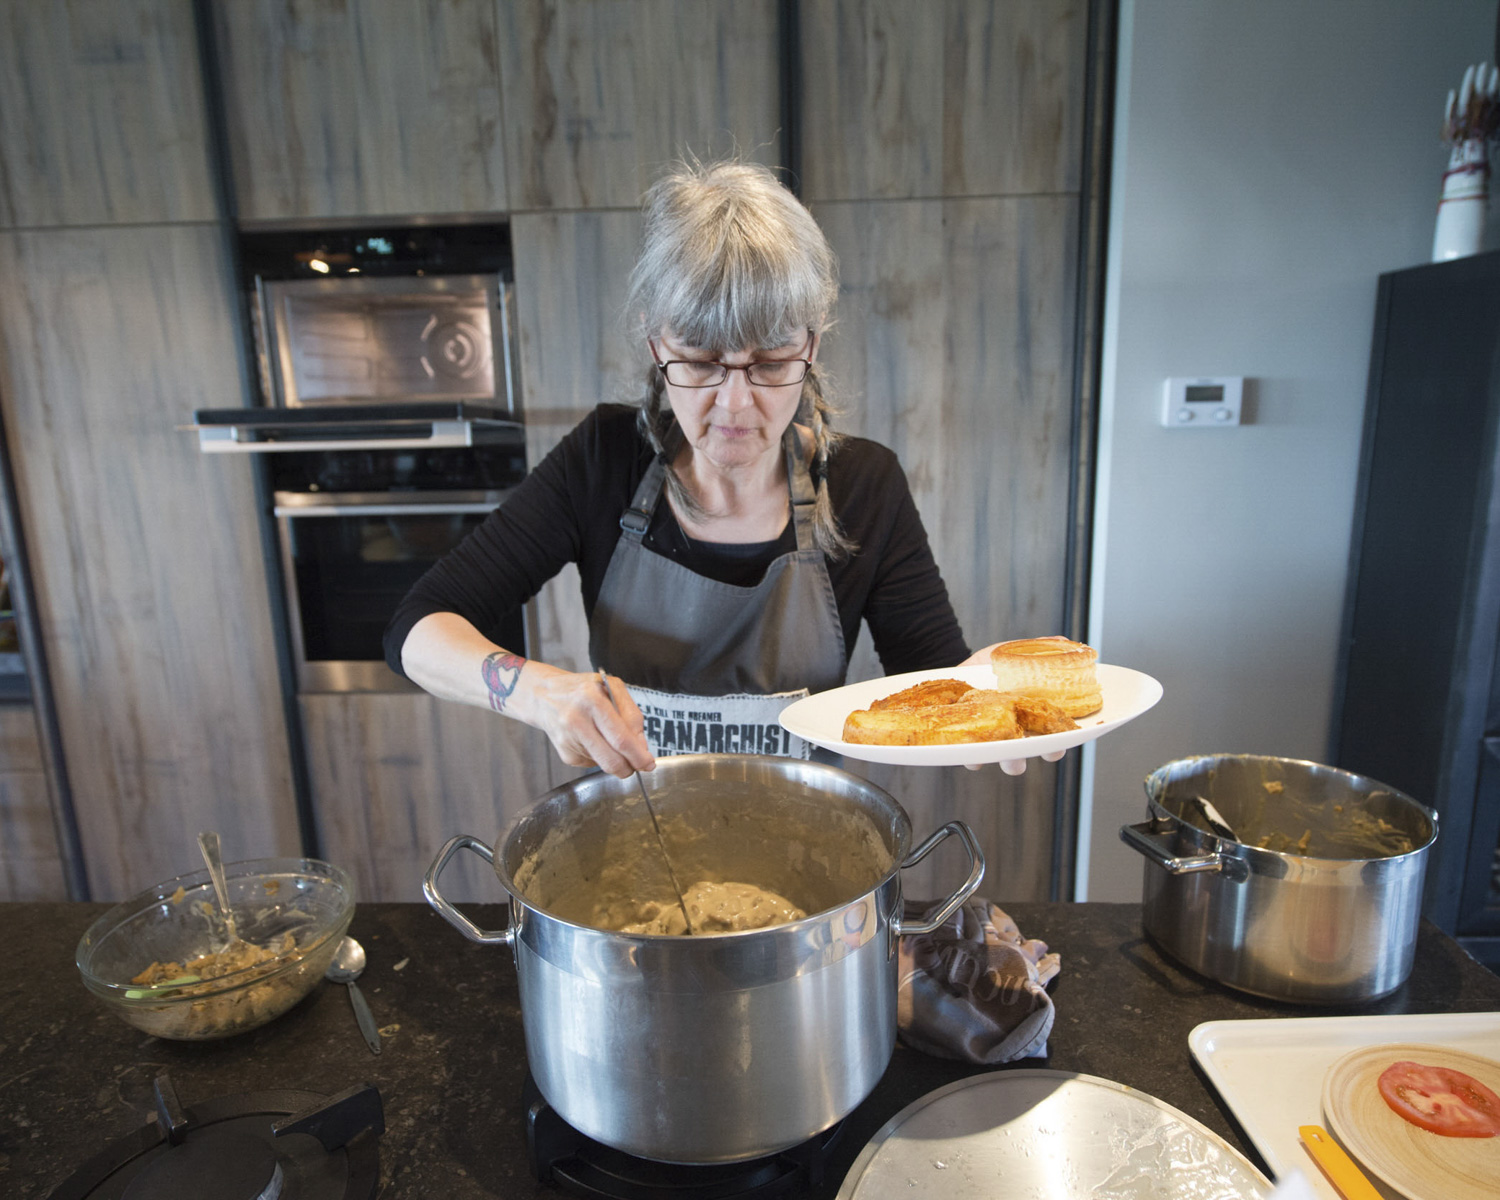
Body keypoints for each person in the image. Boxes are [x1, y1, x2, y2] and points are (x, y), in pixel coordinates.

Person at [384, 159, 1062, 779]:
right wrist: (538, 692)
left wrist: (989, 703)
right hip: (632, 839)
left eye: (770, 363)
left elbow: (936, 689)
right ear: (657, 343)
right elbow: (416, 627)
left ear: (812, 344)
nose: (735, 404)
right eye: (702, 362)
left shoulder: (865, 484)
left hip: (806, 845)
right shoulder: (604, 460)